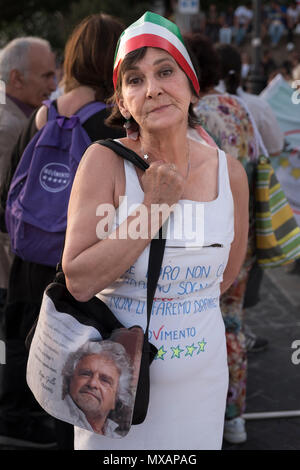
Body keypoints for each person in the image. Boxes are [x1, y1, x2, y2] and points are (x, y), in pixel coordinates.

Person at [62, 11, 249, 450]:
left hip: (200, 383)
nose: (153, 89)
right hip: (111, 388)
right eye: (134, 79)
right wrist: (153, 208)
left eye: (166, 71)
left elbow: (223, 278)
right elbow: (80, 279)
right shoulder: (103, 162)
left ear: (190, 84)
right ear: (123, 102)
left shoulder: (229, 173)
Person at [0, 13, 125, 449]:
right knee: (77, 354)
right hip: (77, 262)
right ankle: (65, 431)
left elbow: (8, 191)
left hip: (28, 256)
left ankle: (18, 420)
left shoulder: (42, 115)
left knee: (24, 341)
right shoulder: (109, 125)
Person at [184, 34, 264, 445]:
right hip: (245, 233)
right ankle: (236, 417)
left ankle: (204, 413)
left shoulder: (193, 113)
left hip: (205, 234)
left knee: (195, 321)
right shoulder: (239, 108)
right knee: (233, 324)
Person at [0, 37, 56, 312]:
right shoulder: (9, 127)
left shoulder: (16, 117)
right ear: (16, 78)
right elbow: (6, 207)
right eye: (46, 75)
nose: (54, 85)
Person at [62, 341, 133, 437]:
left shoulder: (116, 437)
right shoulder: (54, 413)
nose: (92, 383)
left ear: (116, 398)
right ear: (70, 379)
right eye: (86, 374)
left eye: (105, 380)